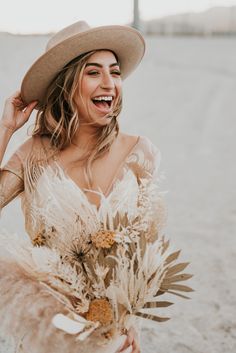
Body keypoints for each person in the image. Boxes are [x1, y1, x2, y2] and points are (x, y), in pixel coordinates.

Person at [0, 21, 165, 353]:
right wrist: (6, 128)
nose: (109, 83)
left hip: (114, 336)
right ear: (67, 85)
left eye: (114, 72)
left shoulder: (139, 151)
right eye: (93, 72)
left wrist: (130, 317)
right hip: (49, 332)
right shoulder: (34, 154)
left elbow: (146, 248)